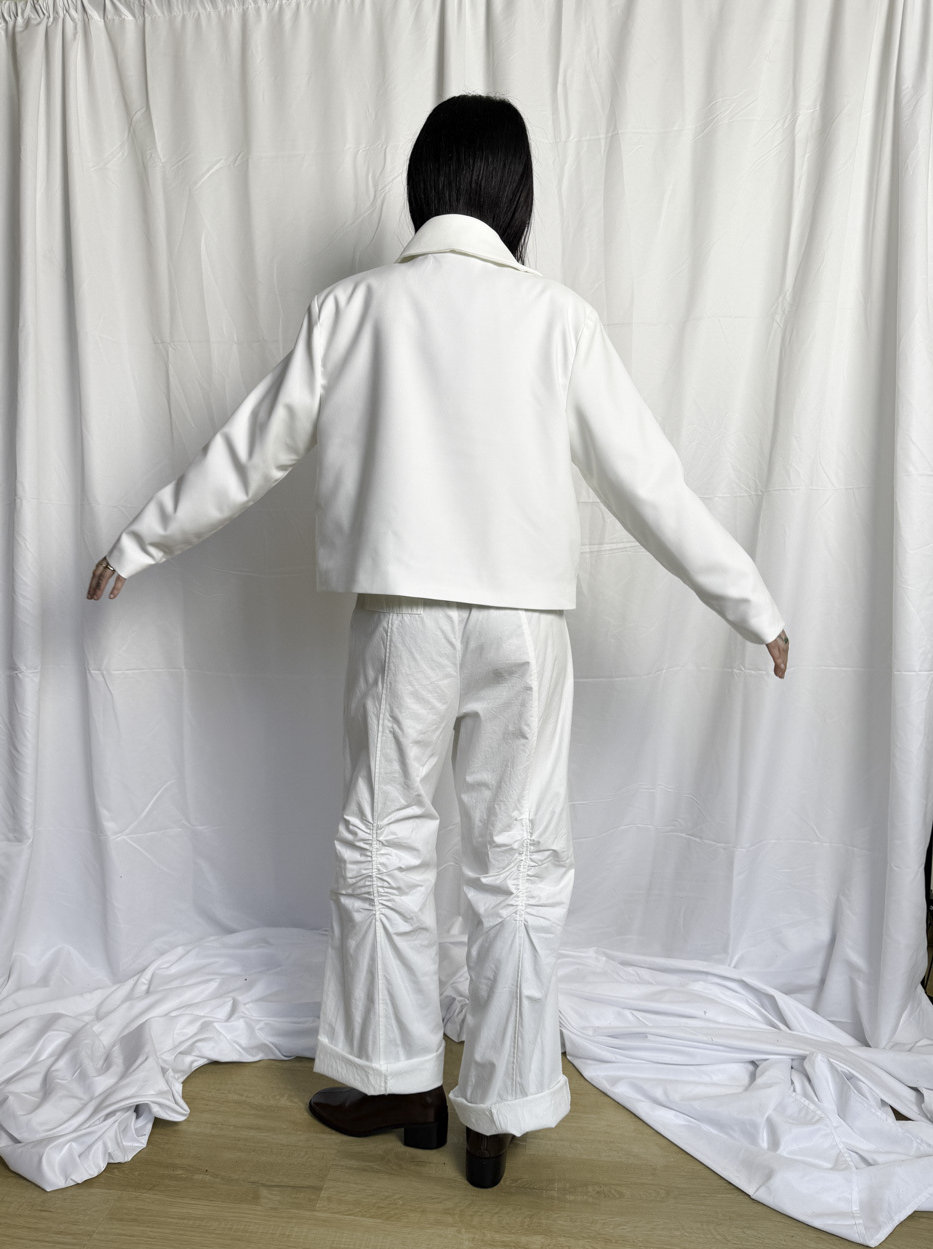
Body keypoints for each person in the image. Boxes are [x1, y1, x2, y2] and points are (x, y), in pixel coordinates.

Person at [87, 93, 789, 1189]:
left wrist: (139, 540)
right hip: (523, 625)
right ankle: (497, 1107)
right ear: (514, 194)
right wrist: (754, 603)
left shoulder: (354, 307)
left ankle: (400, 1078)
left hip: (402, 620)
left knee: (385, 844)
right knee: (520, 859)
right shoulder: (556, 317)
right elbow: (651, 485)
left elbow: (250, 447)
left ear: (424, 184)